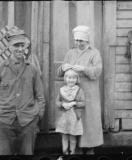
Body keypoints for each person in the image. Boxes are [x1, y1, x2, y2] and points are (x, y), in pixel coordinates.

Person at [0, 28, 45, 155]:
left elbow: (40, 96)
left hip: (28, 121)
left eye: (22, 45)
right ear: (9, 47)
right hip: (4, 121)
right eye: (16, 45)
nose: (20, 49)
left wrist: (38, 115)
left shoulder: (32, 69)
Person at [57, 25, 104, 154]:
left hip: (89, 94)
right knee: (73, 120)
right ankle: (75, 150)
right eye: (76, 40)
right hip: (72, 94)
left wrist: (83, 69)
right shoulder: (70, 52)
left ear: (87, 40)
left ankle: (89, 149)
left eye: (81, 40)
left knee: (89, 121)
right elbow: (60, 73)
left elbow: (97, 72)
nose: (78, 43)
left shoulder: (94, 53)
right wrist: (63, 67)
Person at [55, 69, 85, 155]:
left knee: (72, 137)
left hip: (74, 117)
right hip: (64, 117)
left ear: (77, 79)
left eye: (74, 78)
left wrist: (74, 103)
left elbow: (83, 103)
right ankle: (65, 153)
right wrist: (63, 104)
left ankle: (72, 153)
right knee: (64, 136)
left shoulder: (79, 90)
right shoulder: (61, 90)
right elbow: (57, 102)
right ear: (65, 78)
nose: (71, 80)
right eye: (69, 77)